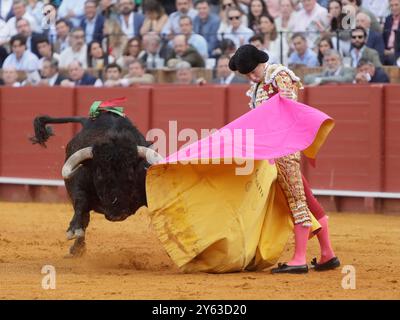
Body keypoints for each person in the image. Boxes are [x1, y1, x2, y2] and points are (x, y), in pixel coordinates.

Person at [228, 44, 340, 273]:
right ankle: (328, 254)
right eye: (246, 74)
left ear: (261, 61)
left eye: (252, 71)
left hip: (283, 148)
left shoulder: (279, 75)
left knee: (295, 199)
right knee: (306, 198)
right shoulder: (259, 85)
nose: (251, 76)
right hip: (272, 149)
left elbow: (289, 110)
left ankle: (299, 259)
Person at [383, 0, 400, 65]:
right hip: (387, 51)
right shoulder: (388, 19)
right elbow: (384, 36)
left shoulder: (349, 11)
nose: (393, 8)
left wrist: (395, 50)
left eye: (396, 5)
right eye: (391, 5)